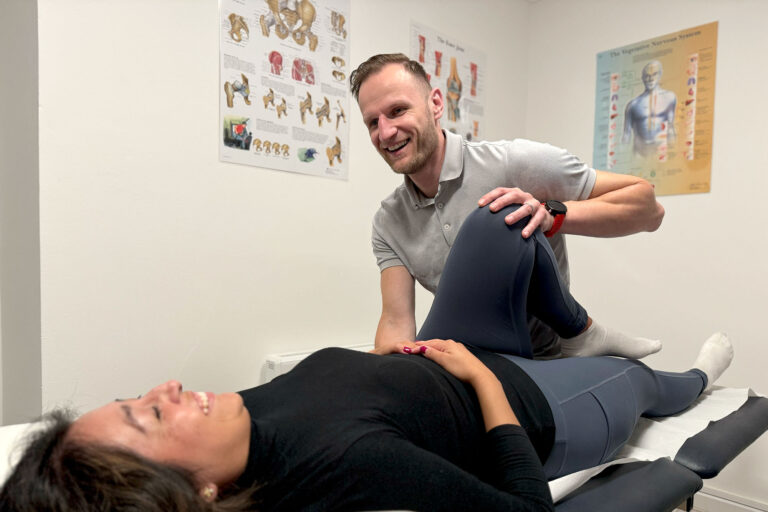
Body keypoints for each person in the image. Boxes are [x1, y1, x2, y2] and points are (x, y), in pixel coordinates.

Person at [0, 206, 732, 512]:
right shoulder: (343, 463)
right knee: (640, 381)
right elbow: (523, 510)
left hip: (451, 349)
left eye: (140, 396)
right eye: (152, 414)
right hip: (529, 403)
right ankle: (698, 379)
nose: (168, 386)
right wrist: (483, 381)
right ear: (194, 496)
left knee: (498, 219)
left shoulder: (239, 420)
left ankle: (580, 325)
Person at [349, 53, 667, 359]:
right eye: (372, 123)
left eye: (398, 110)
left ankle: (596, 338)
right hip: (468, 360)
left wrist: (552, 216)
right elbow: (395, 321)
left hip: (547, 357)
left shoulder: (516, 163)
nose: (386, 132)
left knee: (498, 215)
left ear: (435, 104)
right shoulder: (388, 221)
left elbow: (648, 206)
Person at [622, 60, 678, 158]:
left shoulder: (669, 97)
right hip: (640, 152)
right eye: (647, 76)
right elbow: (626, 135)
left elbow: (670, 128)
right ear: (642, 78)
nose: (650, 78)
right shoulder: (633, 104)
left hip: (661, 151)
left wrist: (675, 152)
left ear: (660, 75)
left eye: (654, 74)